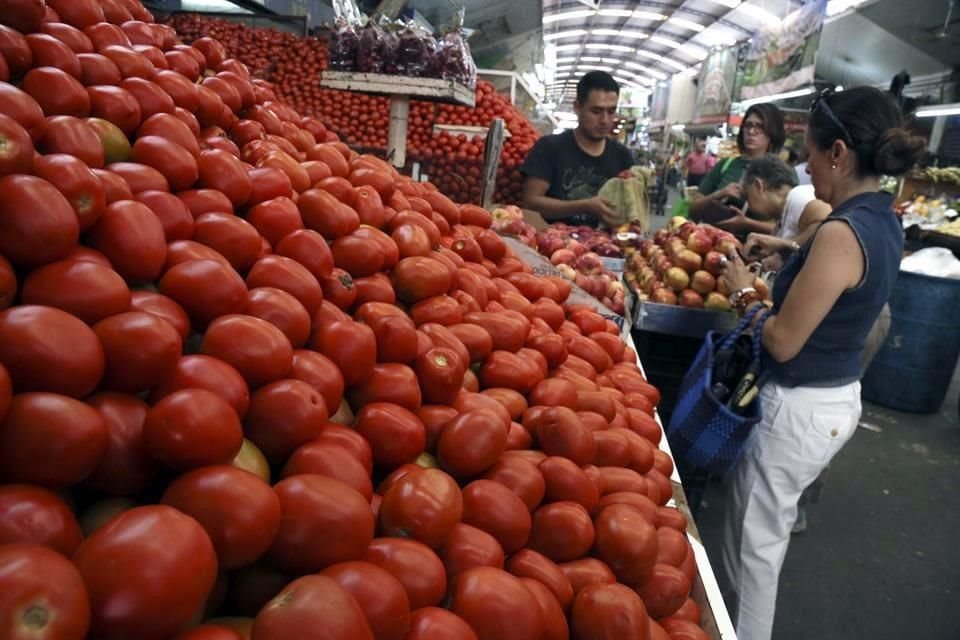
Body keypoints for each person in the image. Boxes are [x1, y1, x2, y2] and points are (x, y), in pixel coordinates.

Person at [717, 86, 926, 640]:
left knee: (753, 552)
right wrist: (790, 255)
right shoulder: (881, 219)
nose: (803, 167)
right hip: (834, 396)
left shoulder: (839, 231)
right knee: (761, 536)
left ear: (837, 153)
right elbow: (839, 289)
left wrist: (743, 292)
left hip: (799, 407)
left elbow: (784, 342)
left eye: (809, 154)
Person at [521, 71, 634, 228]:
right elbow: (530, 202)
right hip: (552, 247)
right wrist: (584, 206)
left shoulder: (623, 157)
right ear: (577, 107)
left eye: (611, 111)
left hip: (606, 249)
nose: (605, 120)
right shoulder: (550, 148)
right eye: (596, 111)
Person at [688, 103, 786, 234]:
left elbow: (788, 231)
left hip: (754, 252)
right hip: (711, 245)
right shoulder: (726, 165)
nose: (751, 132)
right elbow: (693, 209)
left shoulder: (782, 174)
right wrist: (719, 194)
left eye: (760, 127)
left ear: (772, 132)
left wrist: (747, 223)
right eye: (748, 125)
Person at [740, 153, 831, 272]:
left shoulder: (798, 196)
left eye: (748, 197)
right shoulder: (782, 219)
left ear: (759, 186)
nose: (749, 205)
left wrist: (784, 246)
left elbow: (826, 222)